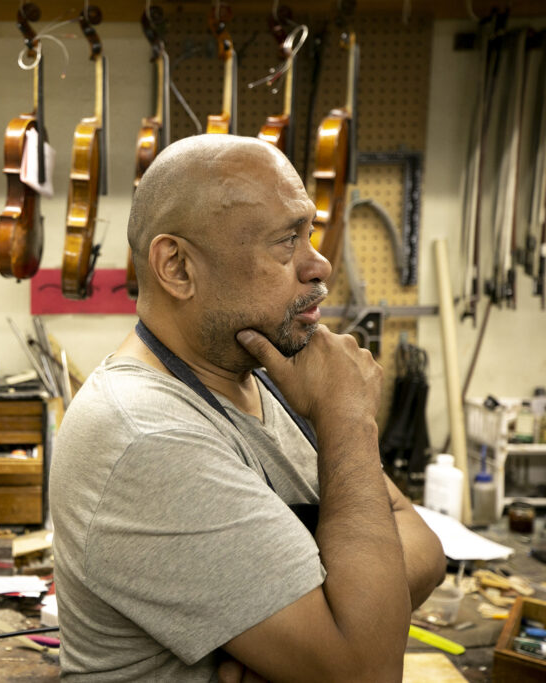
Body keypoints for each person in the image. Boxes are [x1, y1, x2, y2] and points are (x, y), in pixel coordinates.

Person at [49, 134, 445, 682]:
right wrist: (348, 422)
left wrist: (350, 619)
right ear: (178, 267)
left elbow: (424, 542)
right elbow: (368, 672)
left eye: (308, 233)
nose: (320, 265)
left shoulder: (267, 374)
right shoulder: (147, 435)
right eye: (286, 241)